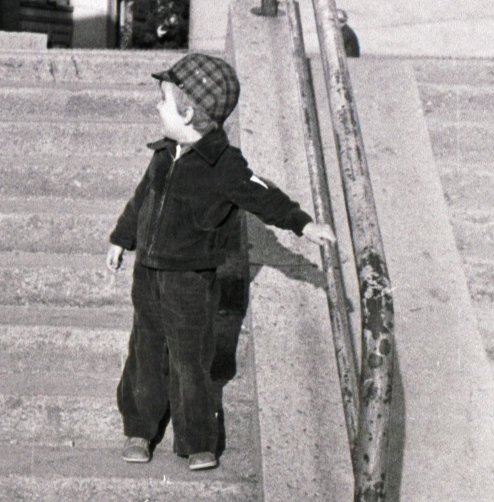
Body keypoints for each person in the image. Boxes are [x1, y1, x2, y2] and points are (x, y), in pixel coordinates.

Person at [107, 51, 335, 470]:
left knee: (190, 361)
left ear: (188, 111)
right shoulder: (163, 154)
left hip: (190, 282)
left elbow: (261, 193)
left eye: (164, 100)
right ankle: (139, 430)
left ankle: (198, 442)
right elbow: (141, 200)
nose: (157, 106)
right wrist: (121, 239)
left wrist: (301, 223)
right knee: (144, 351)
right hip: (148, 277)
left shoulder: (224, 165)